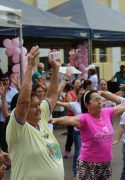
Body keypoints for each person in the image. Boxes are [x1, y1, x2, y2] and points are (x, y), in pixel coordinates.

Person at [49, 90, 125, 180]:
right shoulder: (84, 118)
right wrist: (56, 120)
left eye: (100, 99)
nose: (99, 102)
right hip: (88, 165)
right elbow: (70, 119)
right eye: (96, 100)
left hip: (106, 164)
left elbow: (122, 106)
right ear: (87, 105)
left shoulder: (106, 113)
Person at [6, 46, 64, 180]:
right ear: (20, 111)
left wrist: (55, 69)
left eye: (39, 104)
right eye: (34, 106)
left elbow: (52, 96)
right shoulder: (18, 128)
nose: (39, 108)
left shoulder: (41, 118)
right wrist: (30, 66)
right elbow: (24, 101)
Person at [56, 87, 85, 179]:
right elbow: (61, 103)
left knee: (88, 152)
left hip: (88, 133)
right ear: (77, 95)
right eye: (80, 94)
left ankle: (85, 171)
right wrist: (52, 99)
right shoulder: (74, 104)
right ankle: (75, 173)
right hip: (78, 133)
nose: (82, 95)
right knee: (78, 152)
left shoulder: (89, 104)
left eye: (83, 93)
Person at [0, 72, 18, 152]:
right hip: (2, 122)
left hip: (14, 120)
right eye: (3, 80)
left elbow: (19, 100)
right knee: (4, 143)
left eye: (6, 80)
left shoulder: (14, 91)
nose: (5, 82)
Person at [64, 78, 81, 158]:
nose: (78, 84)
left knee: (81, 135)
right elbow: (69, 103)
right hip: (71, 117)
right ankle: (67, 150)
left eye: (79, 83)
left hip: (80, 118)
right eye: (76, 83)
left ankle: (81, 151)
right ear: (73, 85)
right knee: (70, 135)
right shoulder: (70, 93)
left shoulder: (82, 92)